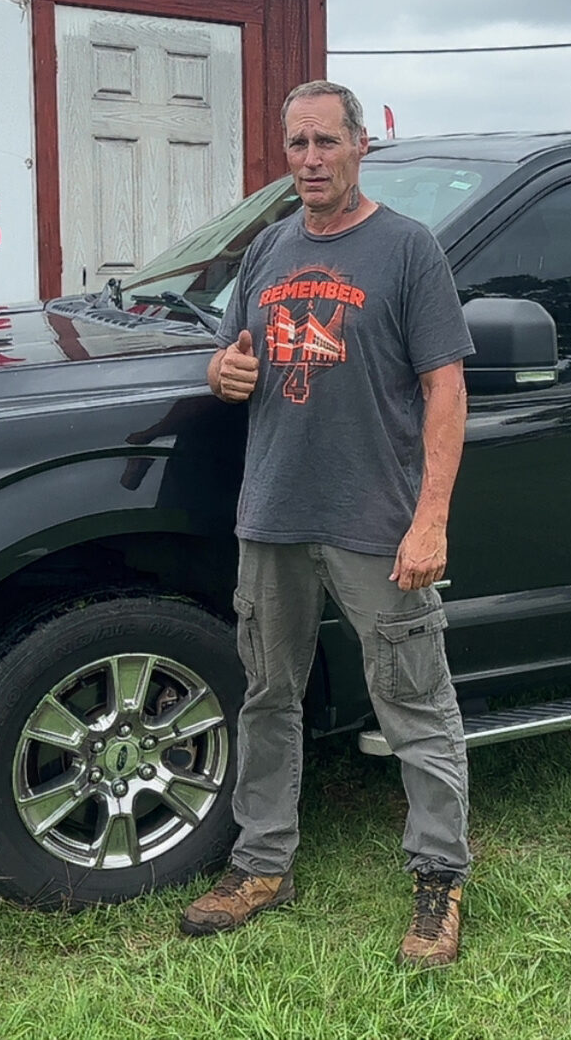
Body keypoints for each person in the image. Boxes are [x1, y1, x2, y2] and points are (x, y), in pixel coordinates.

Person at [178, 79, 475, 968]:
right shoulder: (269, 248)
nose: (310, 160)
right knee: (268, 696)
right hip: (272, 513)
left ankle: (440, 878)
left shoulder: (408, 249)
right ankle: (262, 864)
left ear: (359, 146)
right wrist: (222, 374)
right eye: (297, 144)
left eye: (326, 142)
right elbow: (230, 356)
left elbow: (446, 388)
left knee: (414, 703)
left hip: (375, 521)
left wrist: (430, 521)